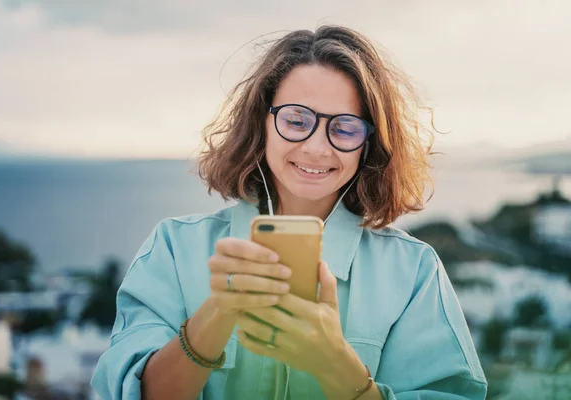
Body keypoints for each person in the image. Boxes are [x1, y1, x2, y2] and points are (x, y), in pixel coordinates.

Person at [91, 25, 488, 400]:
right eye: (296, 120)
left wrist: (334, 362)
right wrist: (218, 311)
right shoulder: (175, 249)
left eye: (345, 128)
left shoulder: (413, 272)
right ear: (260, 122)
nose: (316, 148)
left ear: (369, 143)